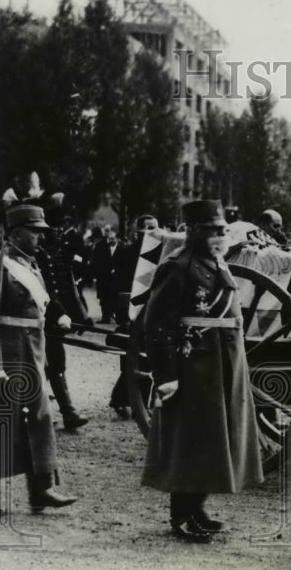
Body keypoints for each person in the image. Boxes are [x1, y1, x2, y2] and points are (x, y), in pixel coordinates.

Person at [141, 200, 264, 543]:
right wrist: (166, 375)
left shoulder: (217, 262)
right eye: (212, 230)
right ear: (194, 232)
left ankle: (197, 509)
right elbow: (157, 324)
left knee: (213, 440)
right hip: (194, 365)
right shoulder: (177, 267)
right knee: (190, 441)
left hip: (222, 362)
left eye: (223, 230)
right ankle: (181, 514)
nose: (220, 236)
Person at [0, 204, 79, 516]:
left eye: (41, 231)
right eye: (34, 231)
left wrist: (57, 317)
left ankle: (42, 490)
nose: (40, 237)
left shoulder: (30, 265)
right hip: (4, 358)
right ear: (15, 233)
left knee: (38, 419)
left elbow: (37, 307)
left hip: (30, 354)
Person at [39, 203, 92, 431]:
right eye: (55, 226)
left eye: (62, 226)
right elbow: (46, 289)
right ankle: (60, 411)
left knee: (56, 363)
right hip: (43, 315)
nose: (59, 230)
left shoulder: (61, 252)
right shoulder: (38, 253)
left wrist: (82, 315)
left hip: (58, 316)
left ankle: (67, 412)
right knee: (44, 363)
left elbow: (69, 286)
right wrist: (59, 312)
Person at [109, 214, 159, 419]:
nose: (153, 232)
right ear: (138, 231)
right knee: (132, 357)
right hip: (132, 310)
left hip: (151, 311)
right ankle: (124, 400)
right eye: (148, 228)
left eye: (155, 228)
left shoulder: (159, 253)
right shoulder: (127, 252)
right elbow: (118, 283)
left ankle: (133, 400)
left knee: (146, 357)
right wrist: (120, 312)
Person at [89, 225, 125, 324]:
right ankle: (105, 318)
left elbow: (125, 264)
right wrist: (95, 275)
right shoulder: (101, 246)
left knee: (116, 298)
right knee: (103, 298)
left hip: (116, 279)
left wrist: (117, 271)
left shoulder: (123, 249)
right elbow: (95, 262)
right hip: (103, 277)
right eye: (109, 238)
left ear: (117, 238)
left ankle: (118, 317)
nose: (111, 240)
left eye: (113, 238)